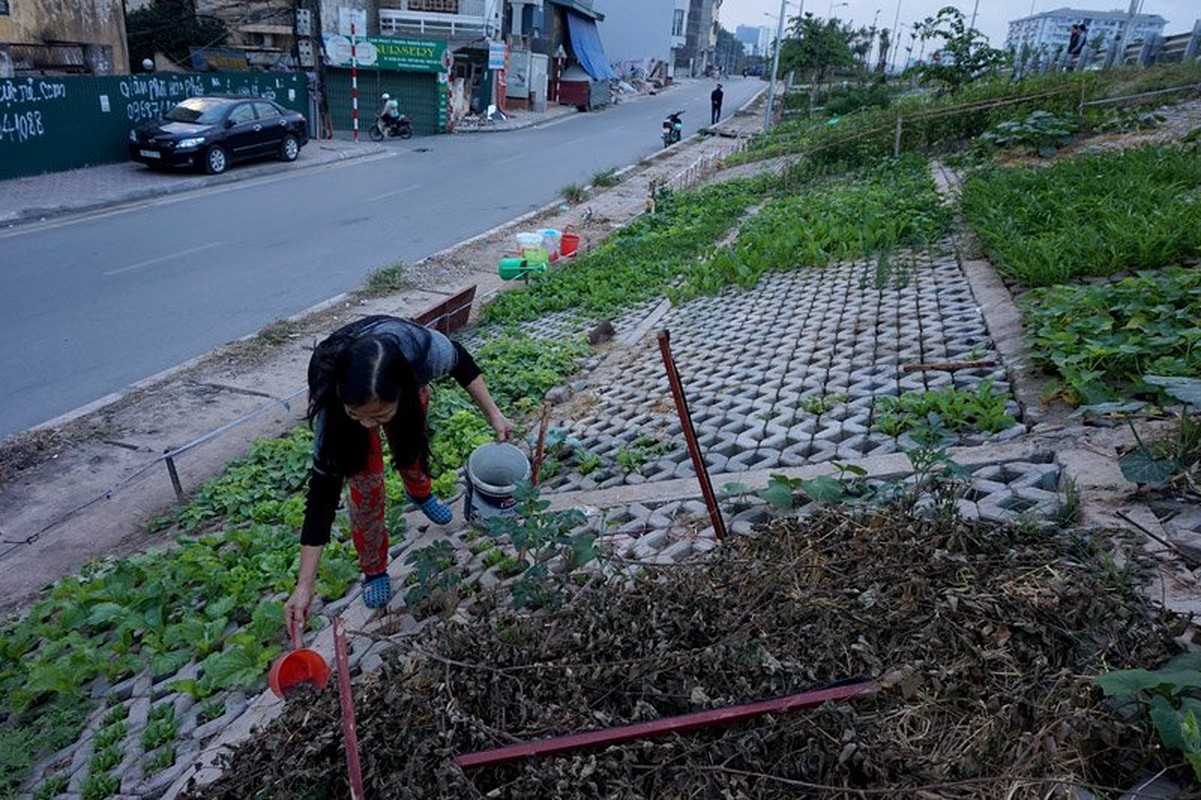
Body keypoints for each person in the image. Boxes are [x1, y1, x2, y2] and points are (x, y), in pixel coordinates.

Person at [284, 315, 512, 632]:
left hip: (403, 380)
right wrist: (304, 585)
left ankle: (418, 490)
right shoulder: (333, 394)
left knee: (411, 448)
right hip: (346, 388)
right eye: (358, 415)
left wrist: (495, 416)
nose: (367, 425)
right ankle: (375, 569)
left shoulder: (425, 353)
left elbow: (462, 360)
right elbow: (322, 497)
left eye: (378, 416)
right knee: (365, 486)